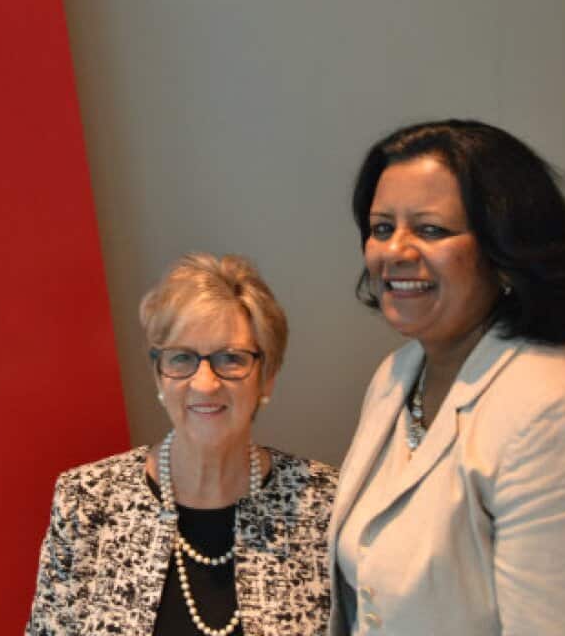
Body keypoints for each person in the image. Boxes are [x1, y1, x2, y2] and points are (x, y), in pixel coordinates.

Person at [329, 119, 565, 635]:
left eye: (430, 229)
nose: (394, 251)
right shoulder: (396, 376)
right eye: (382, 227)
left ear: (505, 252)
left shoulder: (558, 412)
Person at [27, 253, 336, 636]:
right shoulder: (90, 500)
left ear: (267, 376)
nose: (205, 383)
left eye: (231, 358)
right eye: (182, 358)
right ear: (159, 376)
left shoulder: (324, 504)